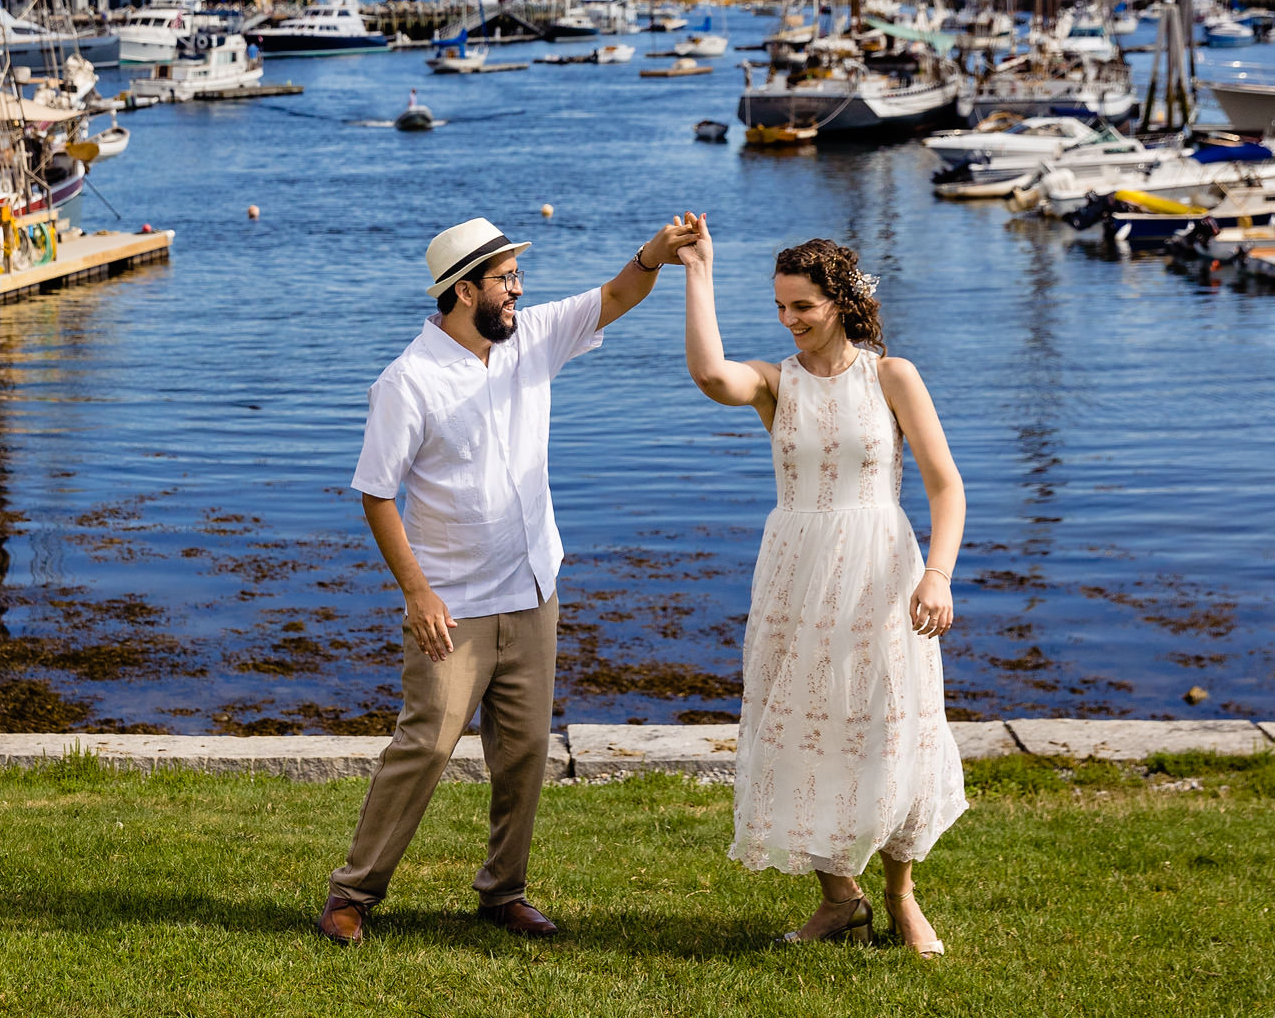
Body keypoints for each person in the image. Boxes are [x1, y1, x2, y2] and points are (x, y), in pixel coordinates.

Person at [317, 213, 697, 947]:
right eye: (505, 280)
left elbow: (617, 295)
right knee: (426, 745)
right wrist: (418, 591)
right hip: (452, 608)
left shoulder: (530, 340)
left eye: (518, 278)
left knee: (523, 752)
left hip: (533, 592)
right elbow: (375, 491)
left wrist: (656, 252)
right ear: (464, 291)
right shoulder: (407, 381)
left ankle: (503, 892)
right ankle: (353, 892)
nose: (518, 290)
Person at [677, 215, 967, 959]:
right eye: (779, 306)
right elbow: (712, 375)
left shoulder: (891, 374)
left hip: (883, 570)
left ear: (839, 300)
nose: (789, 320)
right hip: (795, 572)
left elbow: (946, 485)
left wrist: (938, 573)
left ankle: (901, 897)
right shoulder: (778, 383)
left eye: (802, 305)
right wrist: (698, 270)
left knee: (890, 722)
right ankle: (840, 899)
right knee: (805, 723)